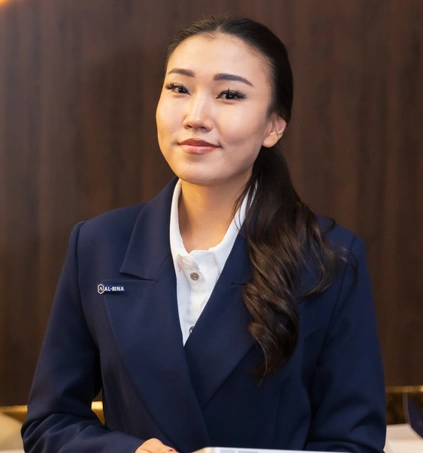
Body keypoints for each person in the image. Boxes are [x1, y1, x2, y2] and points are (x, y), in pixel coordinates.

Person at [22, 16, 386, 453]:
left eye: (229, 94)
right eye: (179, 88)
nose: (196, 117)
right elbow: (50, 423)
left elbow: (353, 445)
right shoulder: (98, 245)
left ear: (274, 126)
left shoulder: (329, 259)